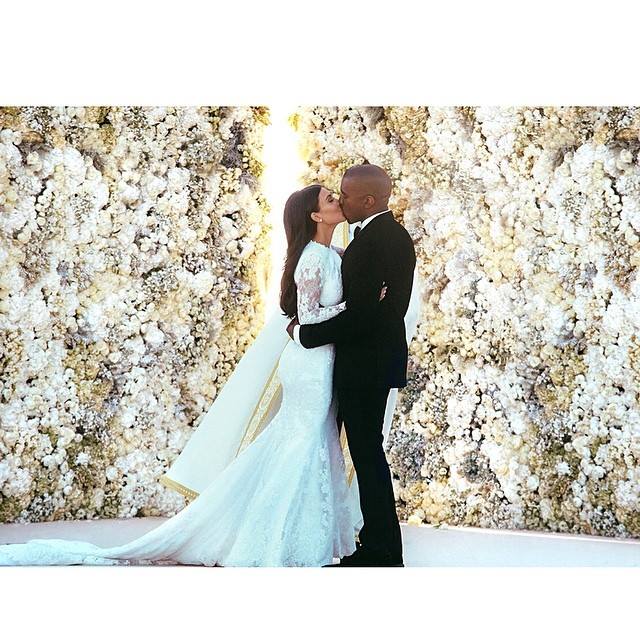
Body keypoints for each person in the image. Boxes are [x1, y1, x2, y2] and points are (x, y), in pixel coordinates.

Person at [0, 183, 388, 567]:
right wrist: (356, 308)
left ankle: (298, 533)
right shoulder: (312, 259)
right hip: (308, 366)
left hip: (325, 361)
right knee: (303, 440)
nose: (338, 201)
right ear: (315, 215)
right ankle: (272, 537)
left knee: (315, 439)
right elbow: (308, 316)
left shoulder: (333, 254)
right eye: (330, 199)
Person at [288, 164, 416, 567]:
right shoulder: (372, 237)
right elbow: (362, 306)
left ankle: (382, 550)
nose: (340, 200)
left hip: (367, 364)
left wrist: (305, 335)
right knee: (363, 453)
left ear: (368, 200)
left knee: (367, 454)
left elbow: (365, 316)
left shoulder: (382, 239)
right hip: (366, 361)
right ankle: (375, 543)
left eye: (345, 194)